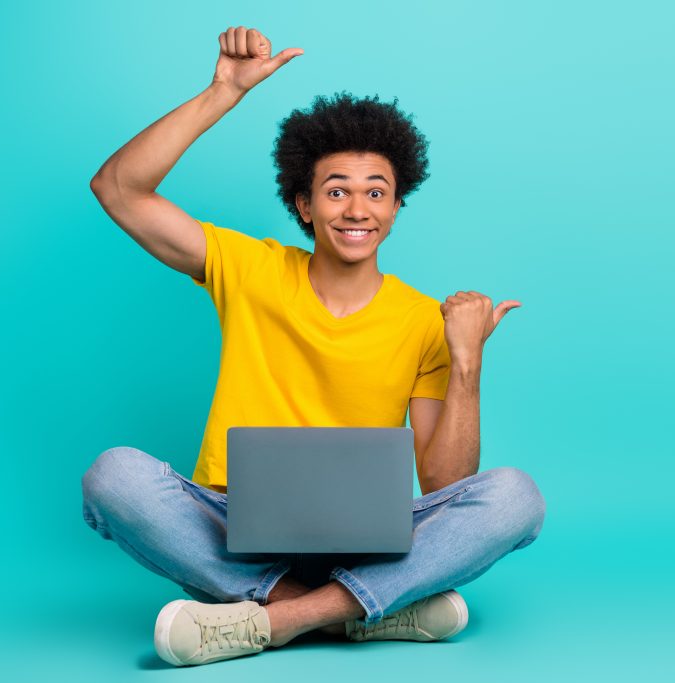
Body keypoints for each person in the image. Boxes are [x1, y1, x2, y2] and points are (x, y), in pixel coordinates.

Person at [83, 24, 546, 667]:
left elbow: (446, 481)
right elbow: (118, 188)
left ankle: (277, 620)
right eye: (336, 190)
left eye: (375, 192)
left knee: (516, 497)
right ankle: (360, 612)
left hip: (368, 540)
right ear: (304, 204)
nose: (357, 208)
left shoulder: (422, 320)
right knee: (112, 477)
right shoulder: (251, 269)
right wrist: (223, 92)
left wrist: (467, 360)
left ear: (395, 208)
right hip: (232, 528)